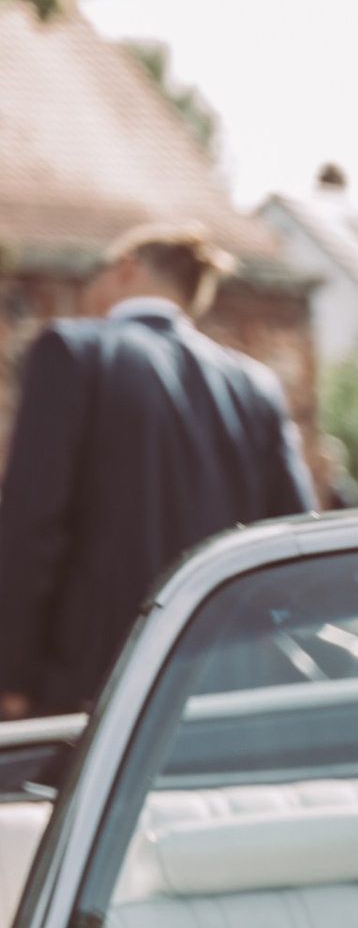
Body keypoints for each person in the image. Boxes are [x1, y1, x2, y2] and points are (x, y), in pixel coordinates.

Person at [0, 221, 317, 719]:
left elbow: (32, 522)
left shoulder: (73, 352)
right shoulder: (255, 385)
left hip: (99, 683)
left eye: (97, 271)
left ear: (126, 269)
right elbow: (292, 535)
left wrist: (12, 674)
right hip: (228, 681)